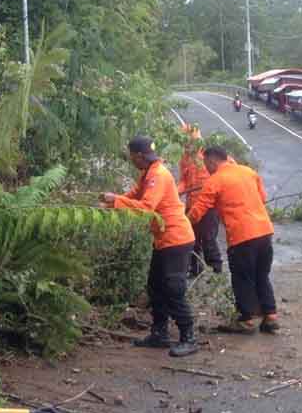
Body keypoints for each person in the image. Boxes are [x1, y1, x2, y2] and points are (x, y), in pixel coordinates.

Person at [101, 136, 199, 357]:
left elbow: (146, 208)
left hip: (176, 238)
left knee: (174, 288)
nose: (130, 160)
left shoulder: (158, 175)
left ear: (138, 156)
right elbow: (134, 195)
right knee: (155, 286)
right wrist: (111, 203)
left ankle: (189, 337)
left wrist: (116, 200)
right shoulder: (147, 173)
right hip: (163, 239)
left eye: (131, 156)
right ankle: (160, 333)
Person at [187, 147, 278, 334]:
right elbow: (262, 198)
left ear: (212, 161)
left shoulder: (215, 180)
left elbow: (199, 210)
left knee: (242, 278)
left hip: (242, 236)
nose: (206, 168)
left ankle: (247, 320)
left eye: (206, 164)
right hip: (264, 231)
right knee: (261, 275)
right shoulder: (248, 171)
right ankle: (270, 316)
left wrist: (183, 223)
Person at [176, 124, 223, 274]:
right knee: (191, 238)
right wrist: (177, 190)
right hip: (192, 204)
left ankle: (216, 269)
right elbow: (184, 179)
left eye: (191, 142)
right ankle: (195, 268)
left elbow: (224, 172)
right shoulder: (184, 158)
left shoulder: (209, 156)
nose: (188, 145)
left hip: (209, 206)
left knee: (209, 238)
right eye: (186, 143)